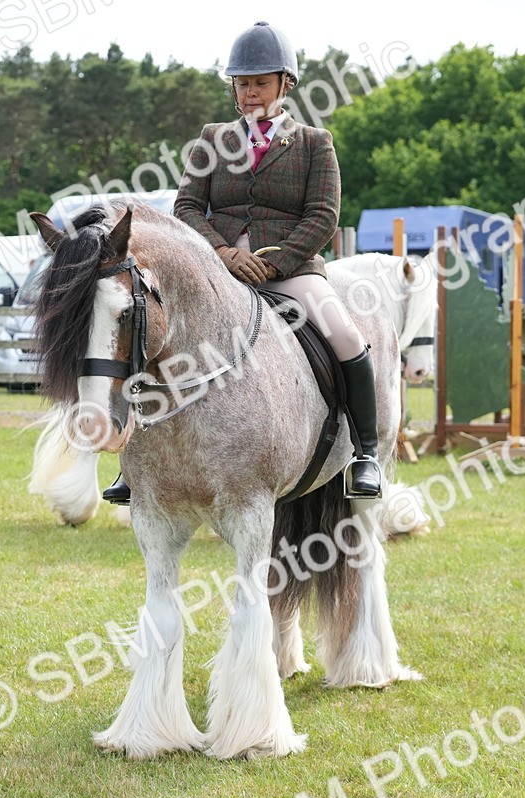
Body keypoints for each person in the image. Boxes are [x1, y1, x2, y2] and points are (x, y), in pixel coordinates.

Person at [102, 20, 382, 504]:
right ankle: (135, 464)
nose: (250, 93)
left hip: (291, 272)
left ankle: (366, 453)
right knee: (152, 336)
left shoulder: (316, 142)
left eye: (260, 83)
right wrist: (225, 254)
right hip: (216, 273)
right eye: (243, 83)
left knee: (348, 339)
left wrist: (274, 265)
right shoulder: (212, 138)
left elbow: (324, 216)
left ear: (284, 85)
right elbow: (186, 208)